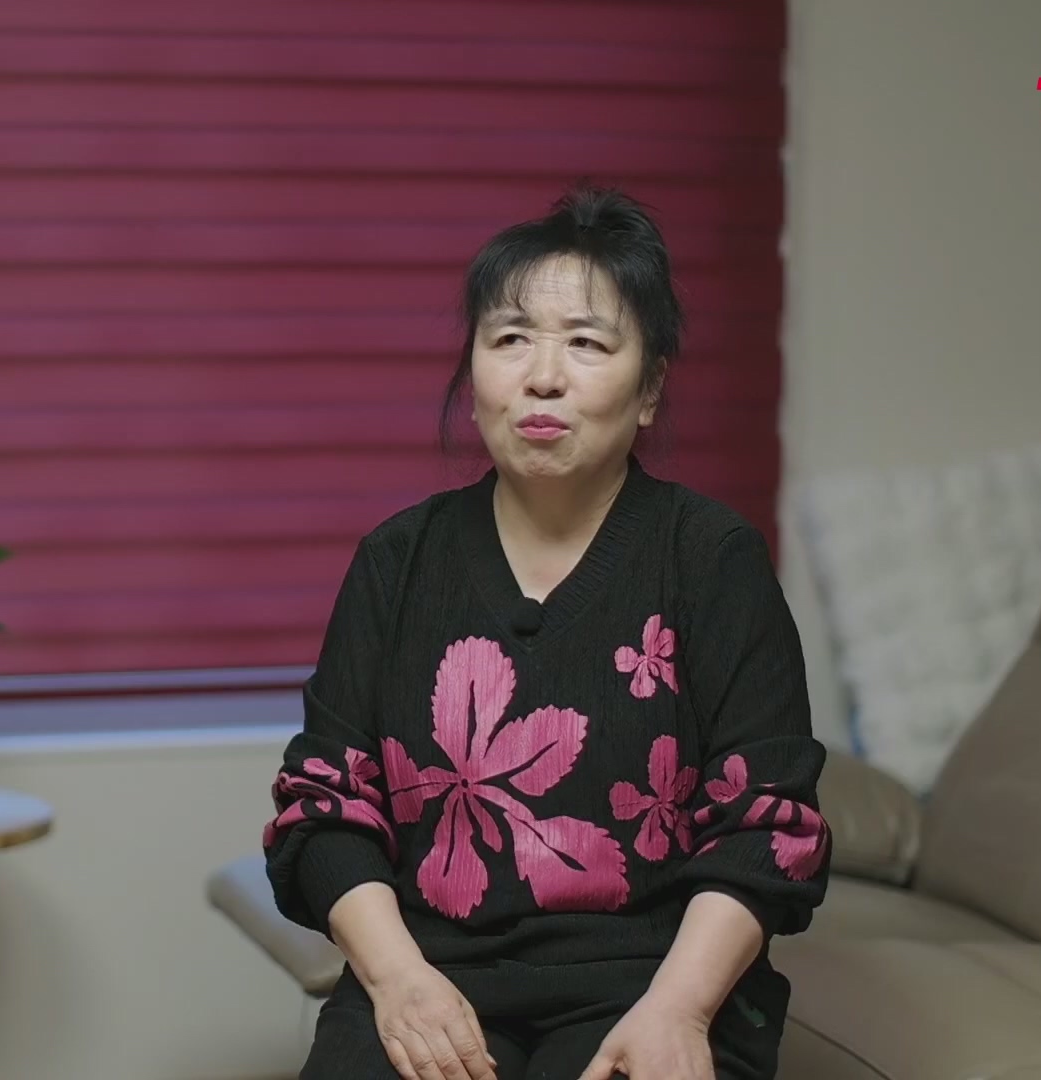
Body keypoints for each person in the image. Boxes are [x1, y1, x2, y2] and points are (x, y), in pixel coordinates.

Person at [261, 185, 831, 1080]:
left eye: (587, 344)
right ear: (473, 375)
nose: (543, 376)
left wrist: (680, 1010)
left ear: (650, 389)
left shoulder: (711, 560)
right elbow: (323, 805)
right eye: (511, 338)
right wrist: (399, 980)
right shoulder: (397, 561)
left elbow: (769, 822)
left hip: (654, 979)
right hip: (431, 970)